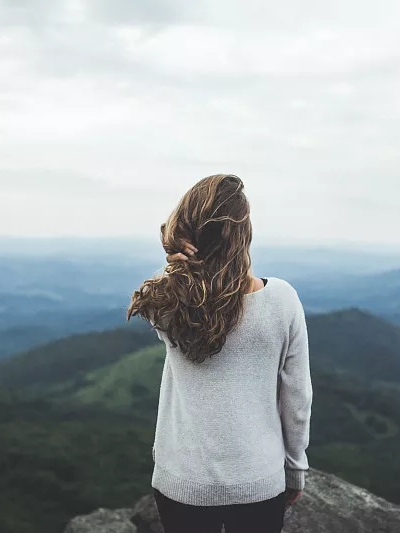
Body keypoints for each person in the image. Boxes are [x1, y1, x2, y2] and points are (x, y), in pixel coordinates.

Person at [127, 174, 313, 533]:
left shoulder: (168, 304)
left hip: (182, 482)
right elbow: (297, 398)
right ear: (245, 233)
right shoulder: (282, 301)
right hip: (259, 481)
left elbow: (172, 286)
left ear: (186, 234)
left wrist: (173, 254)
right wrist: (295, 469)